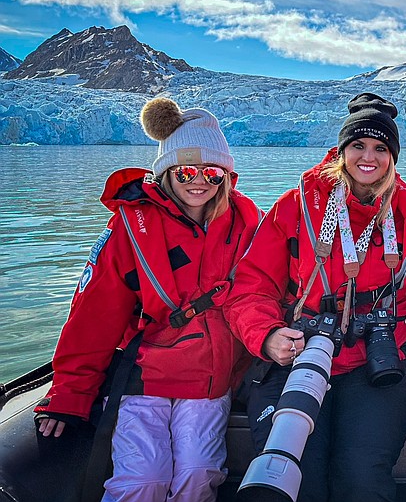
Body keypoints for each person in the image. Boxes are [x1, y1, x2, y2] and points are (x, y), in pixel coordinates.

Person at [34, 98, 262, 501]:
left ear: (226, 175)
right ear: (166, 172)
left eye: (212, 171)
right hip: (145, 375)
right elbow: (94, 314)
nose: (199, 181)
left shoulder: (247, 221)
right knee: (142, 481)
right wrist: (70, 394)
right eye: (186, 171)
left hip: (211, 378)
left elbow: (262, 293)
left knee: (197, 475)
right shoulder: (131, 225)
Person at [224, 92, 406, 502]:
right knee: (299, 477)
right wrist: (266, 336)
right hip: (297, 355)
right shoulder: (298, 205)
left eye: (380, 147)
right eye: (358, 145)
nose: (368, 157)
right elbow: (250, 285)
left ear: (393, 156)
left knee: (362, 479)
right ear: (342, 151)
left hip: (375, 365)